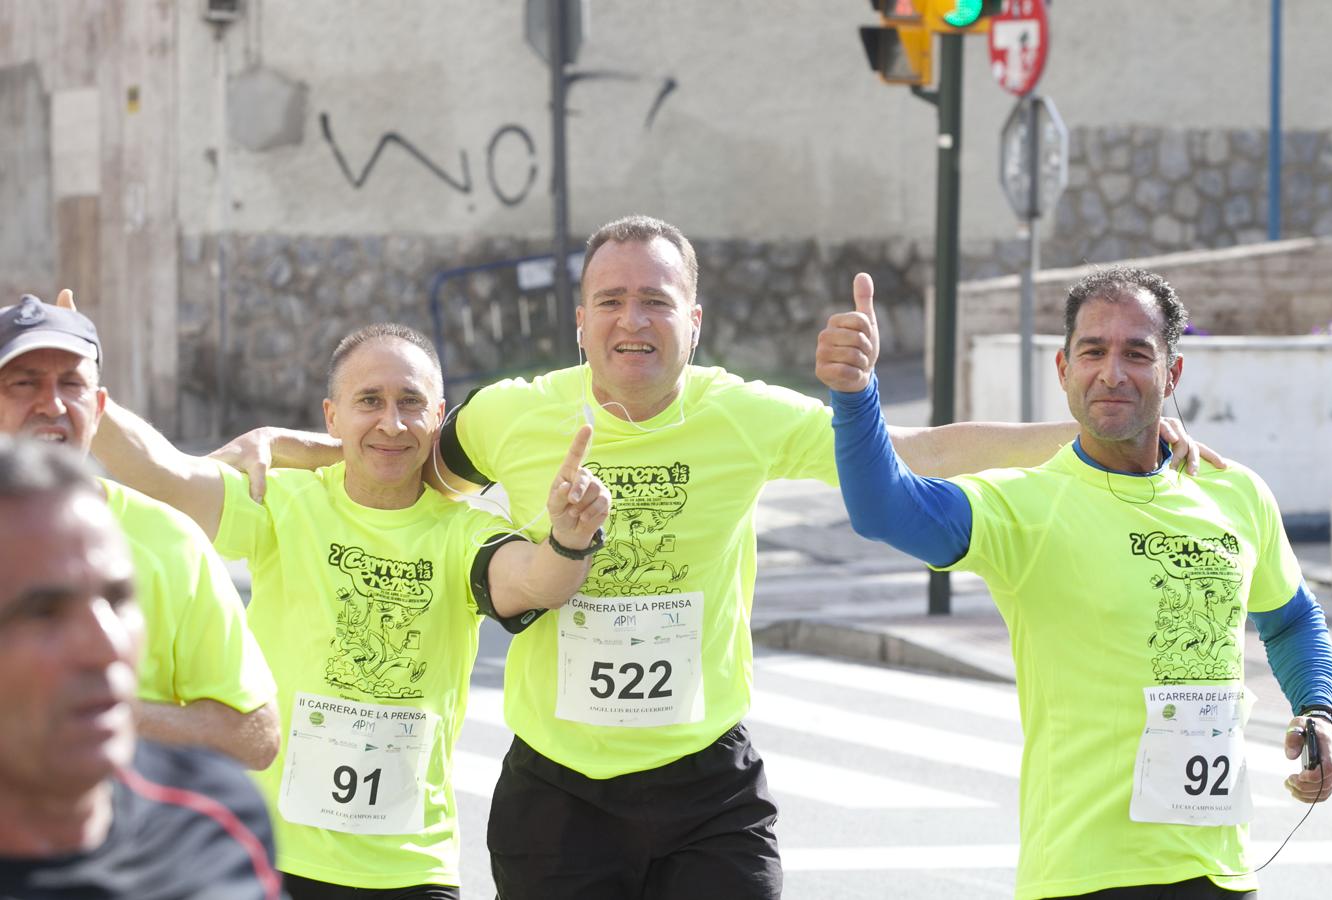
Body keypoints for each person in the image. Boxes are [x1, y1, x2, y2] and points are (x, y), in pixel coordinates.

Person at [212, 216, 1221, 899]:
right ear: (580, 323)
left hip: (704, 788)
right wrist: (290, 446)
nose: (631, 320)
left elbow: (917, 450)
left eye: (656, 301)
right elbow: (406, 453)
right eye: (609, 301)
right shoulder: (513, 415)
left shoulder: (741, 415)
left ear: (693, 321)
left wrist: (1090, 439)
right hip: (558, 792)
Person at [819, 265, 1332, 899]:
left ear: (1172, 374)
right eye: (1093, 351)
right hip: (1082, 877)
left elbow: (1289, 617)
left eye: (1137, 353)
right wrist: (855, 396)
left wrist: (1321, 711)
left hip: (1220, 871)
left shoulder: (1233, 491)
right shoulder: (1022, 504)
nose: (1113, 372)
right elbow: (884, 511)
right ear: (1064, 369)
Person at [90, 321, 610, 898]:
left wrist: (570, 537)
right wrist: (78, 392)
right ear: (332, 416)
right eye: (369, 401)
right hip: (273, 855)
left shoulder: (463, 532)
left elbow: (537, 582)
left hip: (411, 868)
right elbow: (166, 475)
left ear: (437, 416)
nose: (392, 422)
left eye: (410, 402)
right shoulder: (283, 501)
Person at [0, 293, 279, 770]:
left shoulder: (170, 539)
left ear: (100, 405)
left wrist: (94, 713)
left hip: (133, 841)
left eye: (72, 384)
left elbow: (256, 735)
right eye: (25, 384)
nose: (52, 404)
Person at [0, 435, 282, 900]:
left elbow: (257, 734)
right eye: (45, 611)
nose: (106, 644)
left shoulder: (217, 824)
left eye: (117, 599)